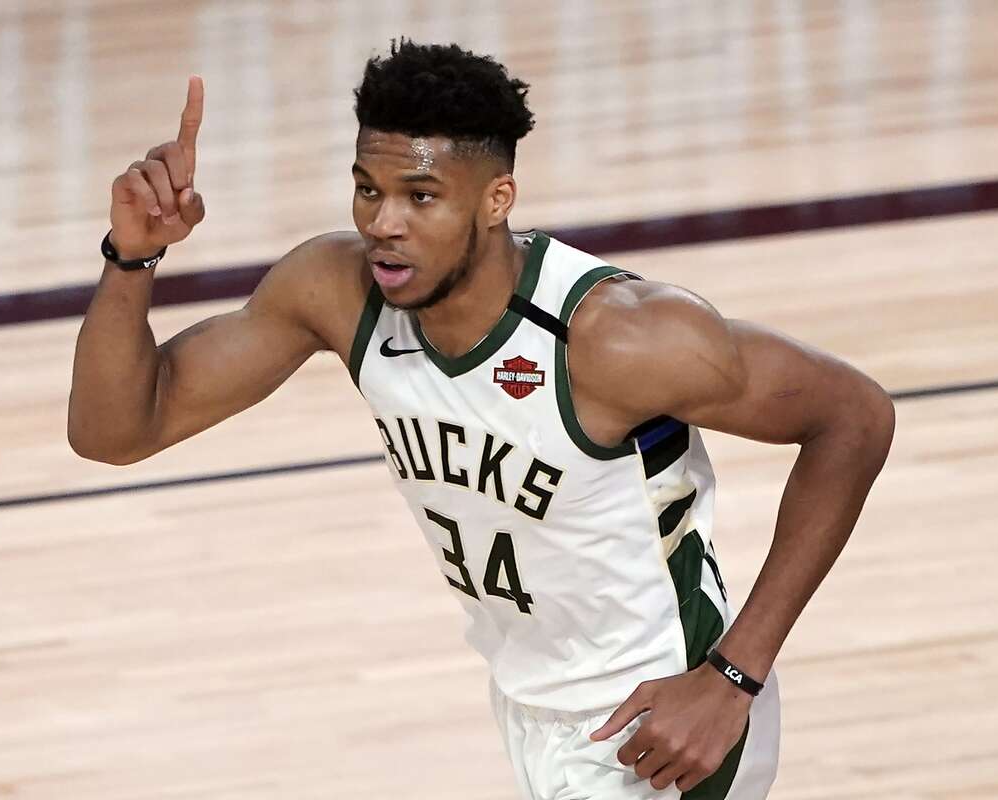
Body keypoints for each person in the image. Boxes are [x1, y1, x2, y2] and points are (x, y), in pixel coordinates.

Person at [68, 41, 894, 800]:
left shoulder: (620, 337)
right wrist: (132, 255)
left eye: (420, 196)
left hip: (667, 720)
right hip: (529, 700)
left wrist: (734, 676)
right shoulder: (335, 290)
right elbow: (115, 431)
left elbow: (853, 416)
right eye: (367, 188)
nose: (382, 222)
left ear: (497, 200)